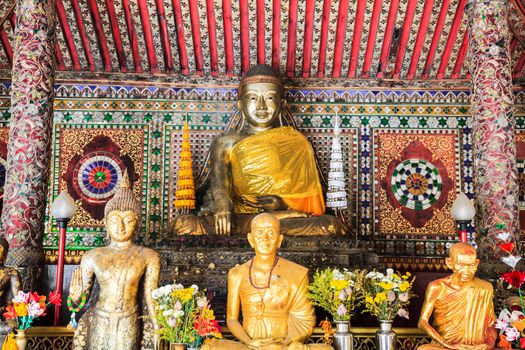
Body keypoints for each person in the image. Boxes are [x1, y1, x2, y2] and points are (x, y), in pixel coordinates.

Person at [171, 64, 342, 236]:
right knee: (184, 225)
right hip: (241, 216)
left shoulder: (296, 142)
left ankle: (271, 224)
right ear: (240, 104)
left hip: (281, 218)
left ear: (282, 104)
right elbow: (219, 185)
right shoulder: (226, 142)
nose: (261, 106)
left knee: (329, 225)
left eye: (269, 98)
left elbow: (306, 198)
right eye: (253, 98)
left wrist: (281, 204)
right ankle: (264, 228)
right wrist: (223, 206)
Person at [203, 213, 332, 350]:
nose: (265, 239)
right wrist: (249, 341)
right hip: (249, 346)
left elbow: (304, 320)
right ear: (251, 239)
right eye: (259, 233)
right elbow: (232, 319)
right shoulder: (237, 274)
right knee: (208, 348)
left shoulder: (296, 273)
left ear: (280, 240)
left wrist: (285, 343)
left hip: (283, 346)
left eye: (271, 233)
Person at [69, 171, 160, 350]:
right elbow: (80, 302)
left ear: (137, 223)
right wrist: (75, 296)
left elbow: (151, 297)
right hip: (99, 317)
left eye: (128, 220)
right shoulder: (92, 256)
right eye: (114, 220)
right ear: (105, 222)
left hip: (129, 317)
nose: (120, 226)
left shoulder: (148, 256)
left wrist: (157, 328)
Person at [418, 242, 496, 350]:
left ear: (477, 263)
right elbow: (422, 322)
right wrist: (447, 345)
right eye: (461, 265)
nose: (466, 271)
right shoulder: (437, 287)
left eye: (471, 265)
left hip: (476, 347)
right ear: (450, 263)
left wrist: (489, 344)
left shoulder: (485, 288)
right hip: (445, 346)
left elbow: (491, 324)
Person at [0, 238, 21, 344]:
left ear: (5, 253)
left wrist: (5, 309)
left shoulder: (11, 273)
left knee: (11, 326)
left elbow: (17, 300)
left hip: (1, 315)